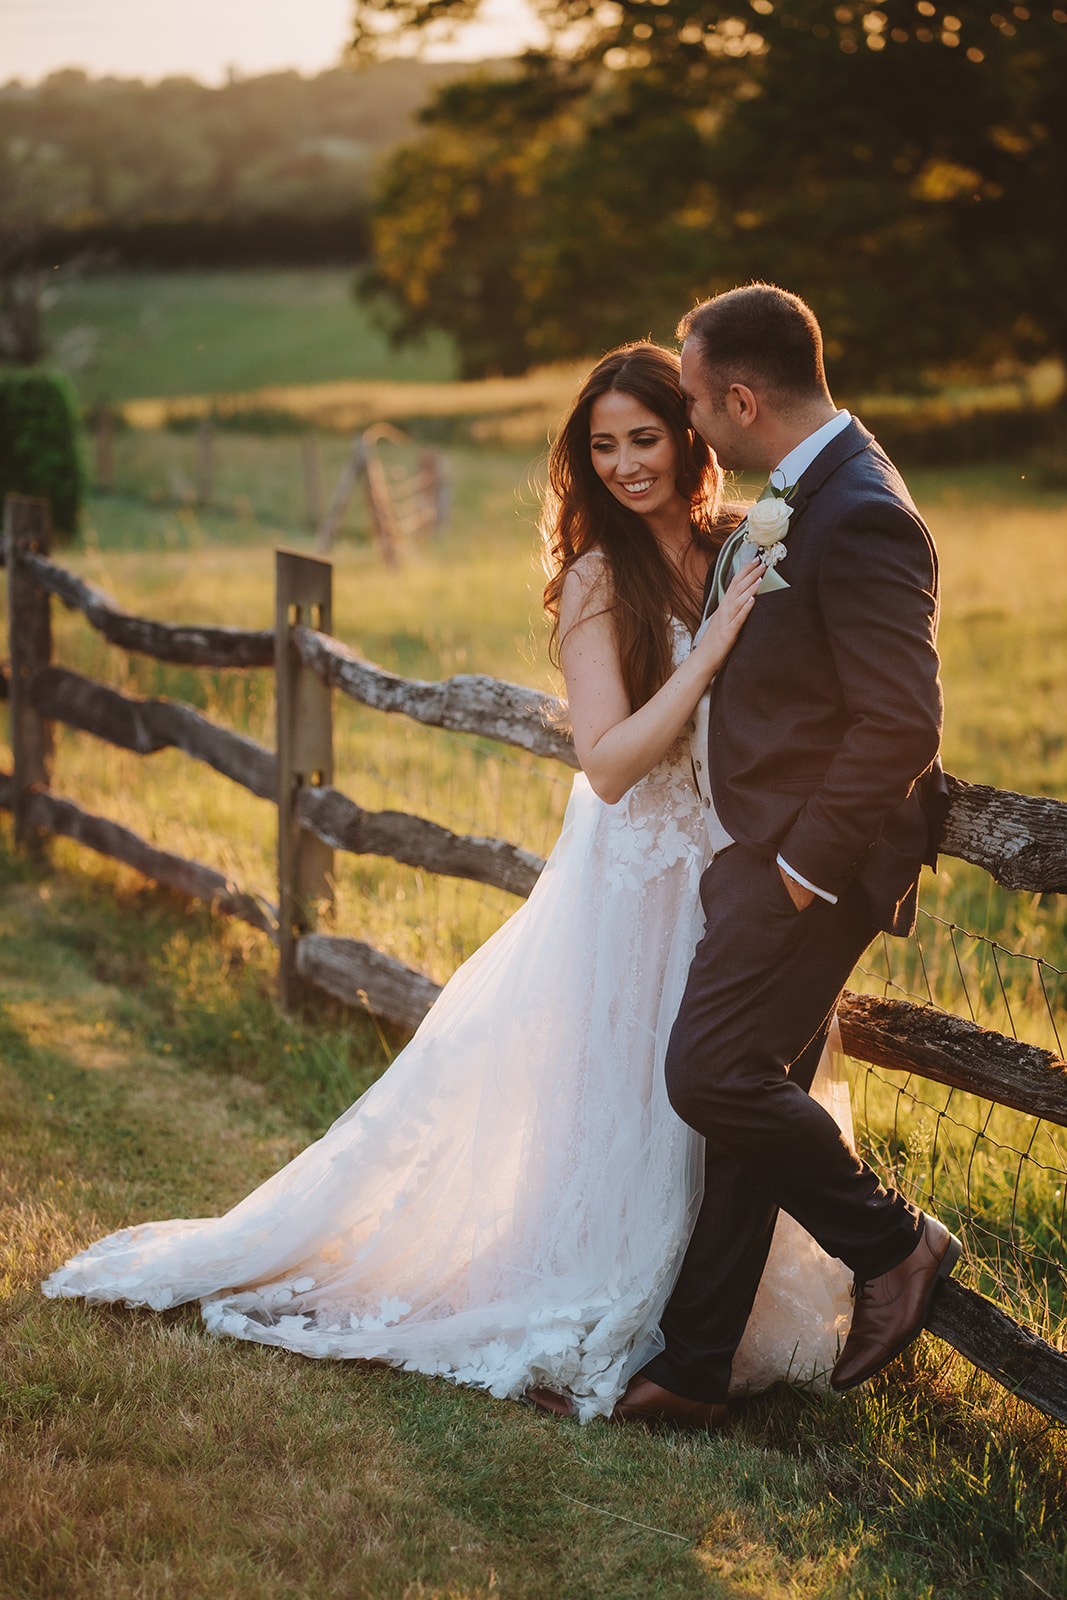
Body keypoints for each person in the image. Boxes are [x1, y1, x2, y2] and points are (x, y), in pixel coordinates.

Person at [42, 343, 856, 1421]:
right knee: (629, 1090)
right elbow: (608, 766)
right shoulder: (593, 577)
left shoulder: (730, 545)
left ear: (691, 433)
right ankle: (614, 1296)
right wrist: (706, 654)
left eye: (644, 438)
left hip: (733, 860)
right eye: (601, 445)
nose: (623, 465)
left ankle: (705, 1324)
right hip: (636, 870)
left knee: (716, 1092)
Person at [605, 287, 961, 1436]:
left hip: (813, 862)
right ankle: (695, 1365)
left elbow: (900, 722)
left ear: (740, 397)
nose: (691, 424)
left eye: (696, 403)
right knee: (744, 1098)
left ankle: (893, 1243)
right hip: (763, 849)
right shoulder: (808, 485)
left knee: (708, 1074)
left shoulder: (857, 508)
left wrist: (799, 870)